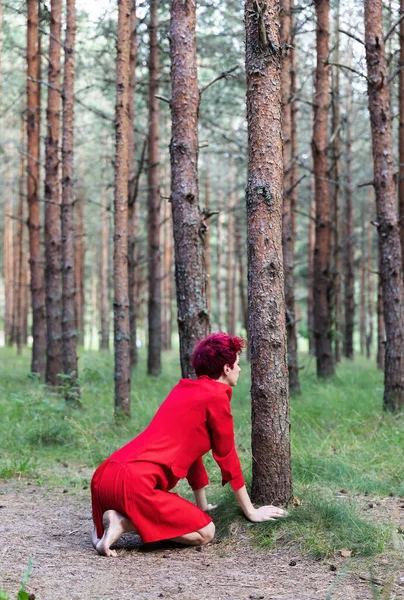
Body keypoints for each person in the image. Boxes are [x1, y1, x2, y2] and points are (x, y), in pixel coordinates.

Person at [91, 333, 288, 557]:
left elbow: (191, 452)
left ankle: (118, 516)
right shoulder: (217, 396)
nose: (240, 370)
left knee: (197, 519)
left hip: (103, 478)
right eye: (238, 364)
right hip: (134, 484)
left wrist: (202, 506)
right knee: (206, 532)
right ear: (226, 368)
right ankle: (124, 521)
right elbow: (227, 456)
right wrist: (251, 511)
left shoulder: (184, 389)